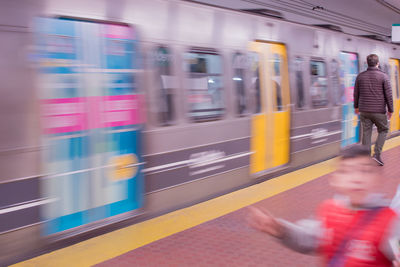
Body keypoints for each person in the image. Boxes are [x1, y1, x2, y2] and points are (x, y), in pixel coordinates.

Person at [248, 145, 400, 267]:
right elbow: (308, 239)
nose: (357, 178)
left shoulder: (389, 222)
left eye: (365, 171)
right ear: (334, 180)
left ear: (377, 179)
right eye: (347, 172)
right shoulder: (329, 210)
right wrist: (278, 229)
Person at [354, 54, 393, 166]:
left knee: (366, 132)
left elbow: (356, 93)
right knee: (384, 129)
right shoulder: (384, 76)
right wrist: (390, 110)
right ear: (378, 63)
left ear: (367, 63)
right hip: (379, 111)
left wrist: (356, 107)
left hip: (364, 110)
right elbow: (388, 95)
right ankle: (377, 154)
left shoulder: (360, 76)